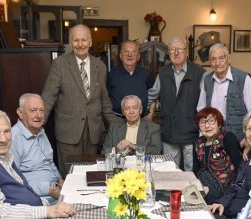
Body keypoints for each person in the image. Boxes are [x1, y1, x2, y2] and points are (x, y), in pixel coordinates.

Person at [41, 24, 120, 176]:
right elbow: (49, 96)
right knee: (70, 175)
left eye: (84, 40)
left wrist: (119, 128)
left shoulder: (100, 66)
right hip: (68, 132)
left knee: (91, 174)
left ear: (90, 42)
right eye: (76, 40)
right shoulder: (60, 64)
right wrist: (38, 121)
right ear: (70, 43)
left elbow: (104, 101)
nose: (80, 44)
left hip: (93, 132)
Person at [148, 36, 206, 171]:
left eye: (180, 49)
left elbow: (206, 102)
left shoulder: (199, 73)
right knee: (170, 172)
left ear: (186, 52)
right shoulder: (163, 73)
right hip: (170, 132)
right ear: (168, 53)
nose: (176, 52)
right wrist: (143, 110)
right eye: (172, 49)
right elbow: (152, 94)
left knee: (192, 173)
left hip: (192, 133)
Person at [197, 43, 251, 142]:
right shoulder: (207, 80)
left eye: (221, 58)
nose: (217, 63)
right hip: (213, 138)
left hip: (238, 139)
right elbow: (201, 109)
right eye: (213, 59)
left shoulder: (243, 78)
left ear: (229, 59)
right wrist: (203, 134)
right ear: (210, 62)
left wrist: (248, 137)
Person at [11, 93, 62, 204]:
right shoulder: (13, 138)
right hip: (38, 198)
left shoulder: (41, 132)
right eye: (33, 110)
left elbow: (49, 162)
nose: (39, 116)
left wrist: (60, 179)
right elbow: (14, 180)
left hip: (55, 190)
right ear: (20, 113)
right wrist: (48, 189)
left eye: (41, 110)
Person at [193, 107, 242, 205]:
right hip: (202, 188)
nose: (207, 126)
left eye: (211, 121)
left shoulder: (227, 138)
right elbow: (195, 169)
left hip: (224, 189)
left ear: (219, 124)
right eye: (202, 122)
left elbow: (239, 166)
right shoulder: (198, 142)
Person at [107, 40, 153, 118]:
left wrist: (151, 113)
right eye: (126, 51)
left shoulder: (145, 74)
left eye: (133, 52)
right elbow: (105, 99)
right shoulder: (112, 75)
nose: (129, 55)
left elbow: (153, 94)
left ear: (138, 57)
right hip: (118, 121)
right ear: (121, 56)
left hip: (141, 120)